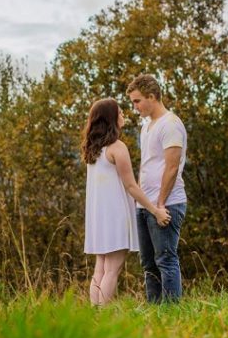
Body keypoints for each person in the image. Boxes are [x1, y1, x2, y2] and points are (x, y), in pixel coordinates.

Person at [80, 98, 170, 306]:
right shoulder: (117, 147)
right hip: (115, 216)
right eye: (119, 112)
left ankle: (94, 313)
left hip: (98, 217)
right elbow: (131, 186)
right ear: (111, 118)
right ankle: (102, 317)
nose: (123, 116)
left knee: (100, 268)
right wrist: (155, 210)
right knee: (112, 269)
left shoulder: (92, 150)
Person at [127, 74, 188, 303]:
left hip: (167, 203)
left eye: (137, 101)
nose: (135, 107)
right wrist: (146, 204)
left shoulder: (170, 125)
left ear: (152, 96)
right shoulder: (146, 127)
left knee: (165, 259)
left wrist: (160, 204)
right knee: (148, 262)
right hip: (145, 204)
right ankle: (155, 311)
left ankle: (172, 312)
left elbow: (172, 168)